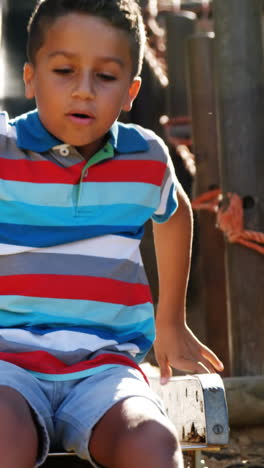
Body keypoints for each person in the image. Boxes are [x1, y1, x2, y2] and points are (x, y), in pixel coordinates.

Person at [0, 1, 224, 467]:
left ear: (130, 91)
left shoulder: (146, 158)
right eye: (63, 70)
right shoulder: (4, 149)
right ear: (30, 77)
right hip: (8, 365)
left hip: (106, 369)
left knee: (152, 442)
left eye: (105, 77)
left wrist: (170, 322)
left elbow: (177, 213)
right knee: (4, 435)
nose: (83, 91)